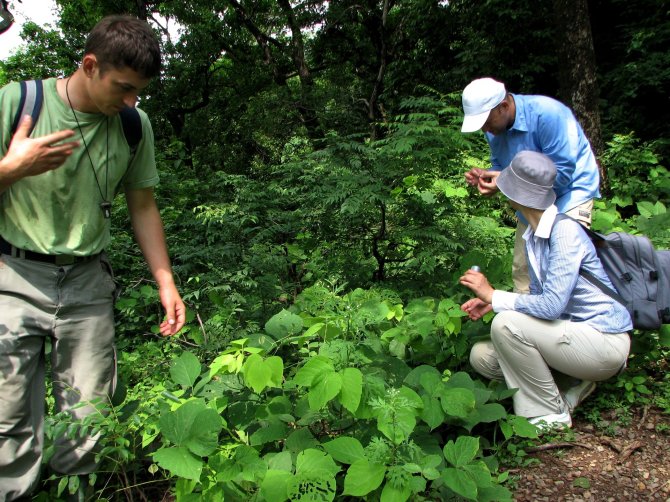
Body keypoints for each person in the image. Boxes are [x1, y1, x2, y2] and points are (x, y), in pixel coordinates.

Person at [0, 15, 186, 500]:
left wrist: (166, 281)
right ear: (89, 65)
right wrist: (9, 169)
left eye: (139, 92)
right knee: (7, 418)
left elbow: (142, 205)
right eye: (123, 88)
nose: (131, 101)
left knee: (89, 417)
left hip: (87, 283)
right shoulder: (18, 103)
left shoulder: (132, 125)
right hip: (12, 277)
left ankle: (75, 494)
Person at [459, 151, 631, 430]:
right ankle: (572, 383)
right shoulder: (535, 236)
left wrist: (494, 296)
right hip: (570, 338)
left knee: (506, 326)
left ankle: (551, 414)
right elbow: (544, 300)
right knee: (482, 357)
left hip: (604, 342)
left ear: (520, 195)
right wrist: (493, 303)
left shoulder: (565, 232)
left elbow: (551, 306)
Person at [460, 77, 600, 295]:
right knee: (523, 271)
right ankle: (525, 325)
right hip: (527, 202)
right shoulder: (493, 130)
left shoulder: (549, 115)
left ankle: (573, 326)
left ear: (503, 107)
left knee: (566, 271)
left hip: (570, 194)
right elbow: (500, 164)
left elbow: (562, 174)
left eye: (486, 122)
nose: (485, 129)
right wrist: (491, 179)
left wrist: (506, 179)